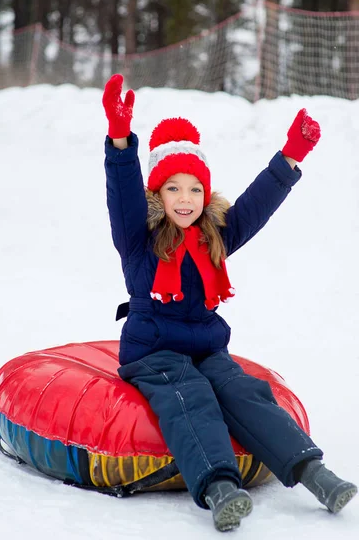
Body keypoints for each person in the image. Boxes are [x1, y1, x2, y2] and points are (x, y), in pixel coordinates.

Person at [102, 74, 357, 532]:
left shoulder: (214, 236)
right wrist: (120, 141)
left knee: (244, 391)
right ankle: (221, 487)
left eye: (195, 188)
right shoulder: (138, 240)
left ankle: (312, 472)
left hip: (206, 347)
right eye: (173, 188)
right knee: (190, 395)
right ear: (157, 195)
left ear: (206, 194)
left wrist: (291, 157)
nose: (185, 199)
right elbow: (122, 195)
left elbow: (256, 205)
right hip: (152, 350)